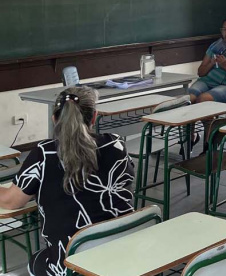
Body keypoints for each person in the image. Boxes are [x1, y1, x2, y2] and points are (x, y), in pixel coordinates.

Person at [0, 87, 134, 276]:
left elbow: (11, 202)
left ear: (54, 119)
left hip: (72, 265)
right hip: (126, 253)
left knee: (36, 261)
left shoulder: (44, 155)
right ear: (94, 117)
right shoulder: (116, 145)